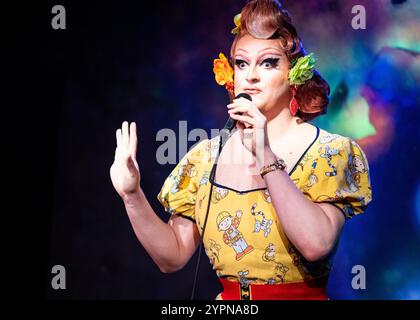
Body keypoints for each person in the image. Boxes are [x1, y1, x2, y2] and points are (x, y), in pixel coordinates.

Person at [110, 0, 372, 300]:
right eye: (242, 63)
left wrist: (264, 152)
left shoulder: (329, 153)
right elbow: (173, 256)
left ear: (294, 74)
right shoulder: (205, 158)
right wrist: (132, 195)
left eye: (269, 62)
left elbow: (316, 244)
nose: (251, 75)